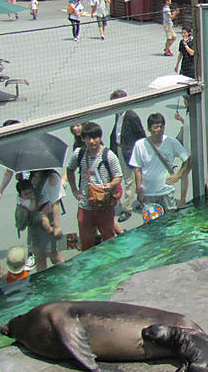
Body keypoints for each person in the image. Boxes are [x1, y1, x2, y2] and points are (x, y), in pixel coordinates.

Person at [65, 121, 122, 250]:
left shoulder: (109, 155)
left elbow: (119, 176)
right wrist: (74, 190)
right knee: (86, 243)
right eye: (88, 138)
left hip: (104, 205)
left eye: (95, 137)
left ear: (100, 138)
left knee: (109, 240)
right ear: (83, 139)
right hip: (85, 205)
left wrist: (111, 184)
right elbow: (69, 170)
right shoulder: (79, 154)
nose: (92, 141)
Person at [129, 113, 190, 213]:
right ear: (149, 129)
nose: (159, 130)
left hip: (166, 191)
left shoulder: (172, 142)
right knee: (153, 224)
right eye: (155, 127)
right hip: (149, 193)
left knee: (171, 221)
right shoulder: (139, 145)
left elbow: (186, 159)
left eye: (161, 127)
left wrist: (178, 175)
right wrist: (139, 191)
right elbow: (137, 169)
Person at [109, 90, 145, 223]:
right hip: (120, 148)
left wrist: (139, 152)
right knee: (131, 179)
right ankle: (141, 200)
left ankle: (127, 209)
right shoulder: (118, 114)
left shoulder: (131, 116)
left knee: (129, 180)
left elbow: (141, 134)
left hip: (129, 151)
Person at [15, 172, 63, 272]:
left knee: (54, 256)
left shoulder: (52, 177)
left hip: (46, 222)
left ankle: (66, 278)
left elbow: (56, 202)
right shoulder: (30, 176)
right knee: (39, 257)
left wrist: (57, 226)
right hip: (33, 225)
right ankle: (43, 283)